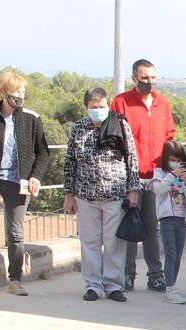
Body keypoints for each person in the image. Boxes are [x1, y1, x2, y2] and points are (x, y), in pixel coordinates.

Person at [0, 71, 50, 299]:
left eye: (22, 92)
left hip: (18, 181)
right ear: (3, 92)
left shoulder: (32, 118)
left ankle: (15, 279)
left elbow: (43, 151)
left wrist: (35, 175)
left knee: (15, 232)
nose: (20, 96)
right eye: (16, 92)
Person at [62, 87, 140, 303]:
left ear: (108, 105)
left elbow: (132, 159)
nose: (98, 110)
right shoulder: (79, 128)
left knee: (114, 242)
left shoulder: (120, 125)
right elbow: (70, 161)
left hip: (115, 194)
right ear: (86, 107)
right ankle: (93, 285)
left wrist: (133, 190)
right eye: (93, 107)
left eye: (102, 107)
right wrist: (69, 193)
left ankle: (114, 285)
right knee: (90, 242)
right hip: (85, 195)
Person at [111, 59, 175, 292]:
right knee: (129, 225)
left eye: (153, 78)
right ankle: (127, 275)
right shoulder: (121, 102)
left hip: (156, 176)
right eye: (145, 78)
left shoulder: (163, 104)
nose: (149, 82)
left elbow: (169, 138)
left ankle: (155, 275)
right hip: (130, 177)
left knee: (151, 228)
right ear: (134, 79)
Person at [146, 140, 186, 305]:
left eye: (179, 159)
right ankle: (170, 289)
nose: (175, 162)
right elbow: (159, 190)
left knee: (178, 255)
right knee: (171, 253)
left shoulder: (185, 176)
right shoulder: (159, 174)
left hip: (182, 219)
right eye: (172, 159)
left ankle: (171, 285)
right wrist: (172, 175)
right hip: (167, 219)